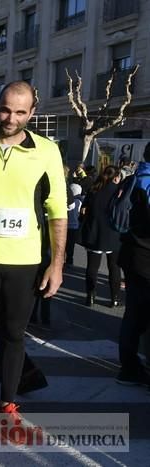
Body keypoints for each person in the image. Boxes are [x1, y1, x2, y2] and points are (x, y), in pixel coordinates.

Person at [0, 81, 67, 419]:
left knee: (15, 333)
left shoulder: (48, 150)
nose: (11, 117)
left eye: (21, 112)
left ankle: (8, 401)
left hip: (24, 261)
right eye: (6, 109)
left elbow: (58, 212)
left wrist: (58, 265)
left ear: (32, 113)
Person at [117, 143, 150, 385]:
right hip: (146, 255)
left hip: (131, 252)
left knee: (133, 315)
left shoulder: (134, 177)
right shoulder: (146, 182)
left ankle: (128, 368)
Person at [79, 165, 123, 307]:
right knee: (114, 268)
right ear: (116, 177)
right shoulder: (118, 192)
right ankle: (114, 298)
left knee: (92, 267)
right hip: (113, 233)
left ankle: (90, 295)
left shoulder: (94, 190)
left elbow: (83, 211)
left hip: (94, 232)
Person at [65, 183, 83, 267]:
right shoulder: (79, 202)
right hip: (75, 226)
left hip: (65, 225)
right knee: (71, 245)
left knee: (63, 243)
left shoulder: (67, 201)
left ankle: (62, 259)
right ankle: (70, 259)